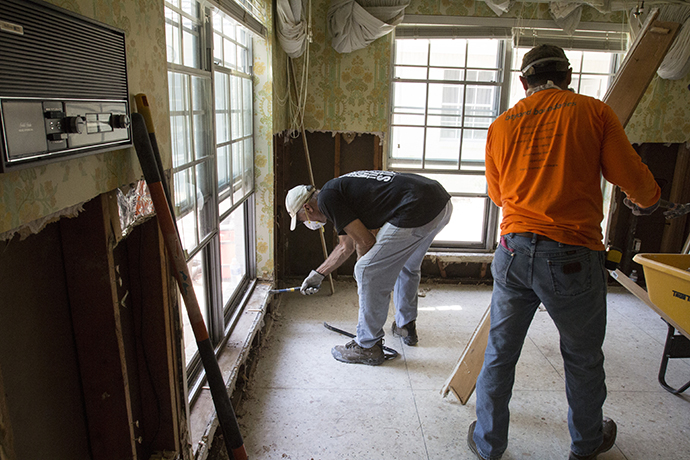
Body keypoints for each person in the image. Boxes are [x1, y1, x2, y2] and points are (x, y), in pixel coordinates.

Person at [468, 45, 663, 460]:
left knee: (501, 351)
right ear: (568, 77)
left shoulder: (500, 126)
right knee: (581, 355)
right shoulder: (593, 112)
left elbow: (499, 194)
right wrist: (645, 199)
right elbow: (641, 189)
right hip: (572, 257)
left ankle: (488, 443)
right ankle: (586, 443)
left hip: (513, 251)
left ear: (524, 83)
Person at [285, 170, 452, 365]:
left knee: (367, 271)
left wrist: (364, 274)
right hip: (439, 202)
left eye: (301, 219)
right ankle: (405, 325)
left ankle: (367, 346)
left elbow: (366, 241)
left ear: (307, 207)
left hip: (415, 207)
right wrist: (318, 274)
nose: (307, 223)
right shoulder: (335, 193)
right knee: (407, 264)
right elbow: (345, 246)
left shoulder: (327, 200)